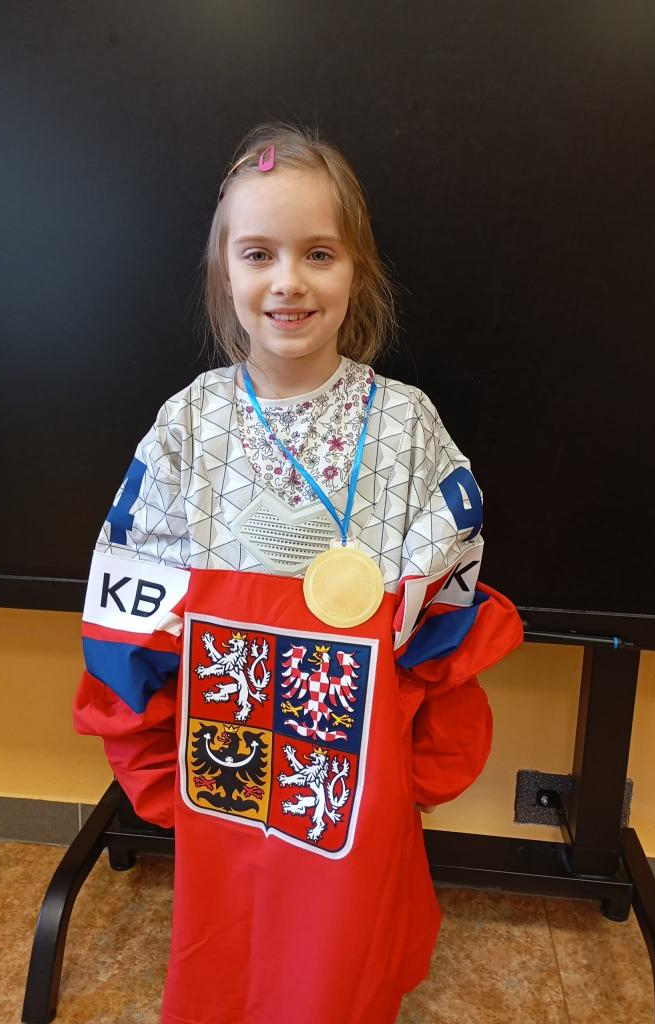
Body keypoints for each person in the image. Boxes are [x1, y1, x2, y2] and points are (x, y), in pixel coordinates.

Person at [74, 121, 523, 1024]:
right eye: (258, 254)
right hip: (228, 785)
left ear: (356, 271)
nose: (288, 281)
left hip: (356, 793)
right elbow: (128, 618)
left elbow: (446, 622)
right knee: (232, 967)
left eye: (318, 253)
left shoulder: (406, 427)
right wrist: (150, 764)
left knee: (341, 974)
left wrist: (417, 775)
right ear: (224, 273)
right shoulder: (187, 426)